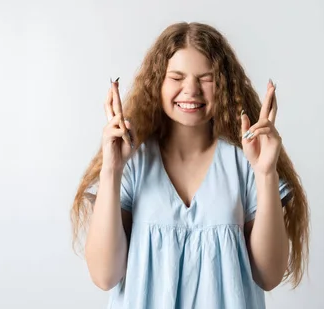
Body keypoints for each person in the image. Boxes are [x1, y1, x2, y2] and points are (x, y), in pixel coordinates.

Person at [70, 22, 310, 308]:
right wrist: (111, 170)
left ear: (224, 83)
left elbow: (268, 276)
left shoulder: (246, 163)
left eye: (206, 78)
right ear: (157, 81)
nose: (191, 90)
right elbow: (104, 275)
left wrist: (265, 172)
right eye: (176, 77)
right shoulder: (132, 162)